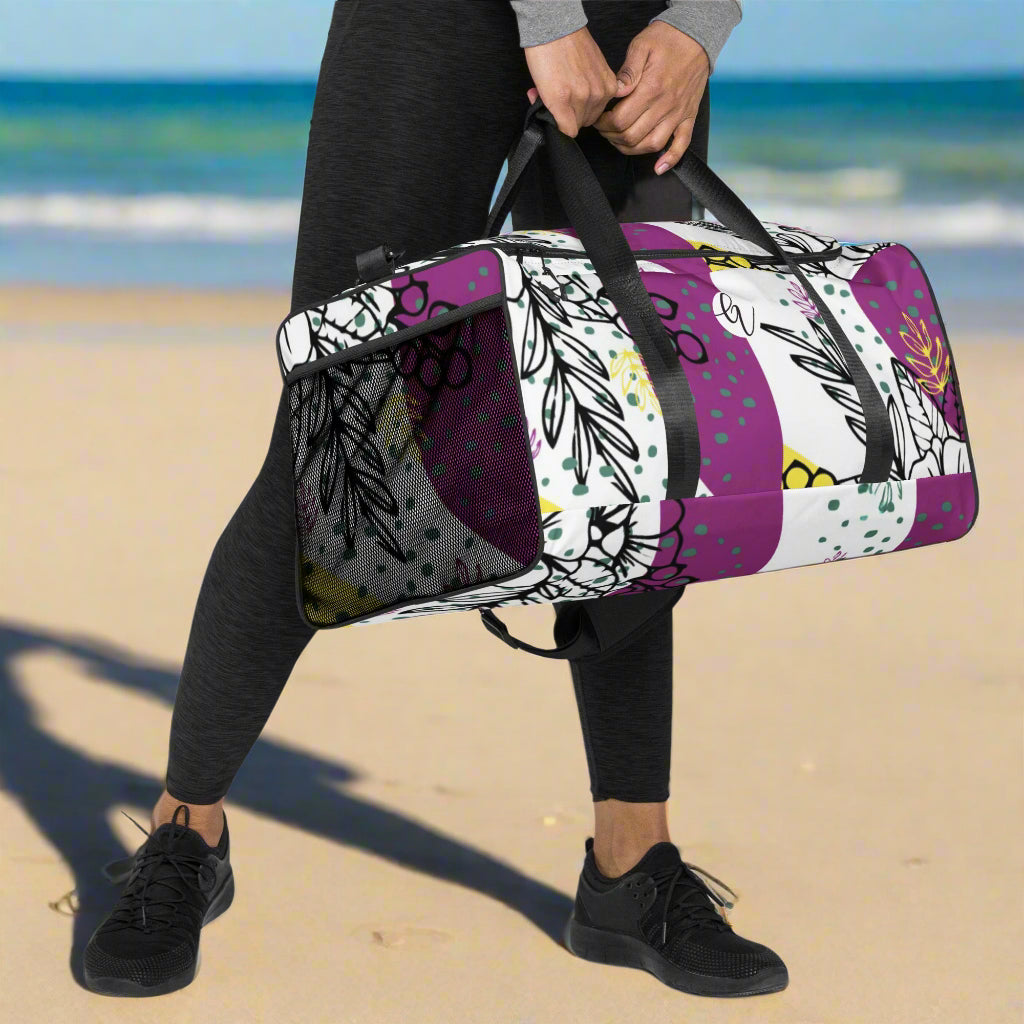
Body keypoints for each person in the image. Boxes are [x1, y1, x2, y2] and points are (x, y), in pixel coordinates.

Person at [83, 0, 787, 1000]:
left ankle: (630, 867)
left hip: (646, 34)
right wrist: (548, 15)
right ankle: (185, 833)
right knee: (336, 432)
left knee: (630, 454)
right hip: (433, 21)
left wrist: (700, 25)